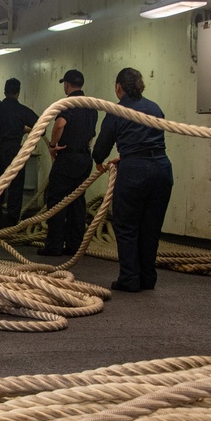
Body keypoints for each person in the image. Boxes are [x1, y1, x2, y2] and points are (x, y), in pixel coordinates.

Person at [92, 67, 173, 293]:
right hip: (162, 169)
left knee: (126, 226)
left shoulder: (117, 111)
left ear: (118, 87)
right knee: (151, 227)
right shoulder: (154, 108)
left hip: (134, 171)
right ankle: (148, 278)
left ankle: (129, 279)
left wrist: (100, 160)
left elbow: (101, 148)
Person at [38, 69, 98, 257]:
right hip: (84, 159)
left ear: (67, 84)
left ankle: (54, 245)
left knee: (57, 201)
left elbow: (59, 124)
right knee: (77, 201)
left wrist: (53, 145)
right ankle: (74, 245)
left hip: (68, 158)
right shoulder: (91, 106)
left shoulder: (67, 104)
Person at [0, 79, 39, 228]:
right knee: (16, 184)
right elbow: (41, 126)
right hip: (15, 150)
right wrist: (21, 130)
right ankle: (12, 220)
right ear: (18, 92)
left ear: (4, 91)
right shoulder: (22, 110)